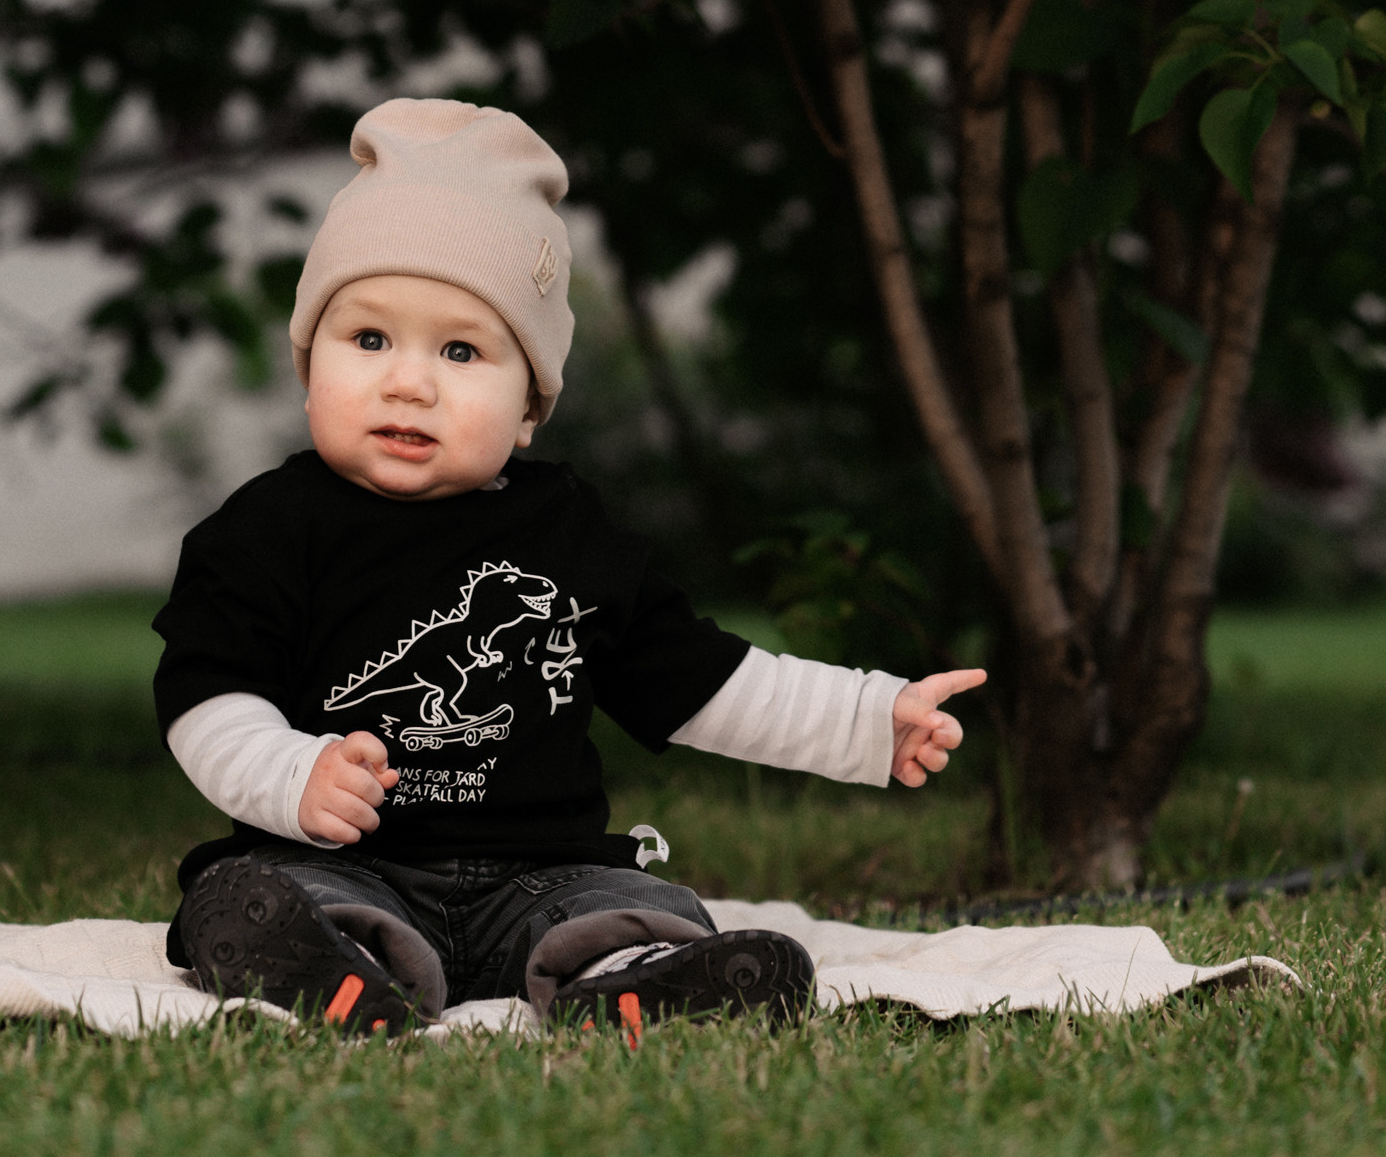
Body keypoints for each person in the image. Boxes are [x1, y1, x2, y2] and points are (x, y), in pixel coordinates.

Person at [154, 98, 984, 1037]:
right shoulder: (269, 526)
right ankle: (336, 968)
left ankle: (632, 978)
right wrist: (288, 774)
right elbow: (203, 692)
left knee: (630, 899)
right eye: (368, 339)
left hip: (538, 876)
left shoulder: (568, 534)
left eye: (461, 350)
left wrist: (867, 719)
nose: (408, 381)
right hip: (342, 862)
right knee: (256, 890)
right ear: (310, 370)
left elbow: (698, 679)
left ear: (527, 409)